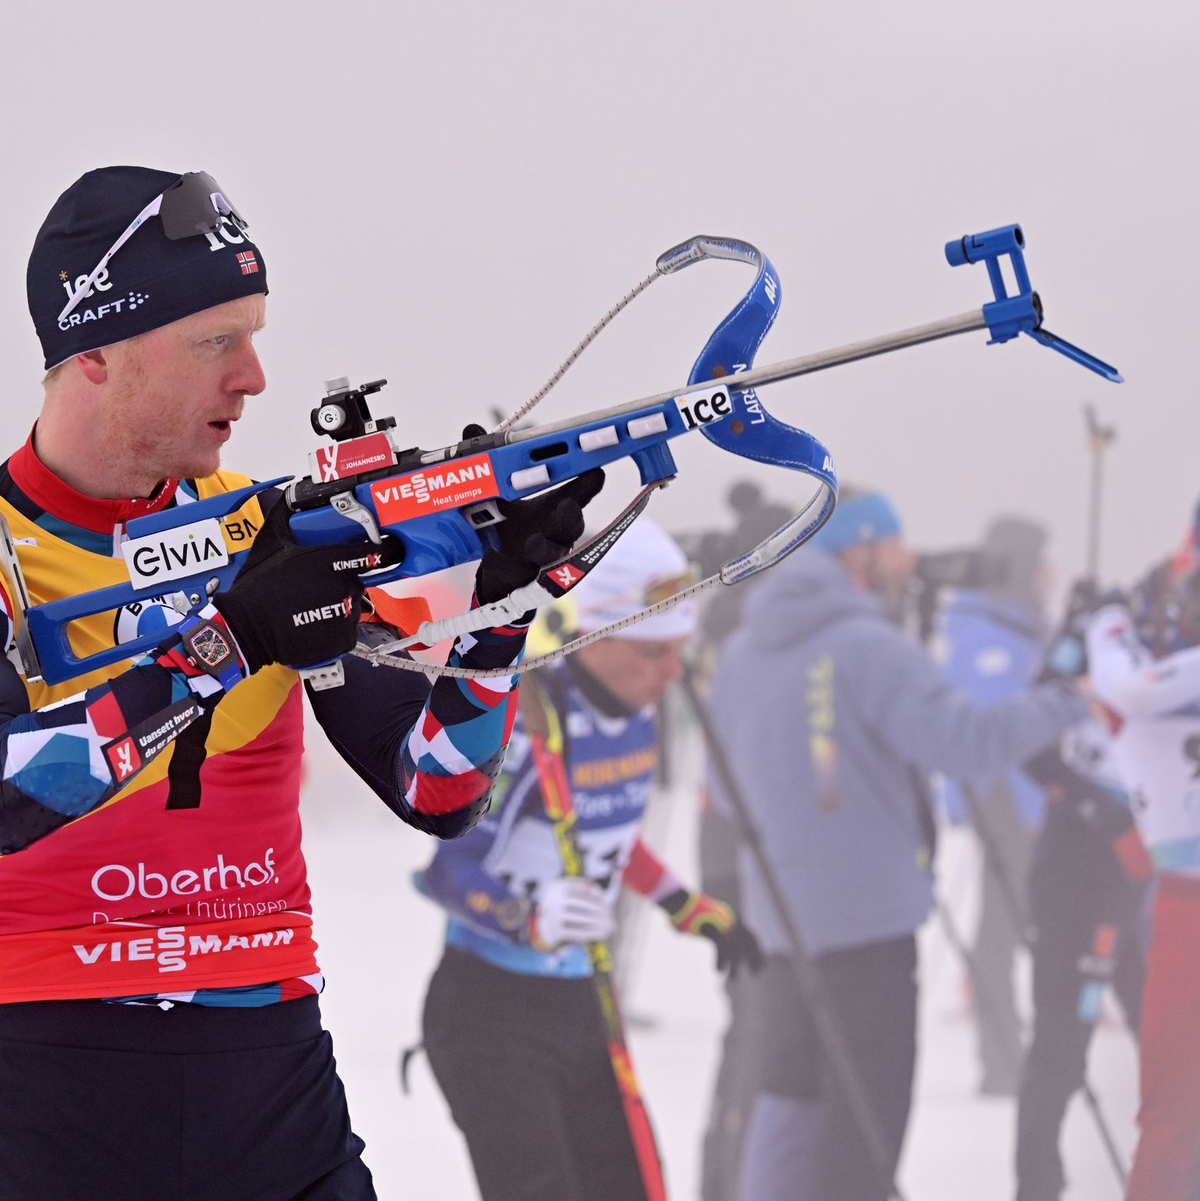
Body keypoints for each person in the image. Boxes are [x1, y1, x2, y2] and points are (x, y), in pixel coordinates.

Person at [0, 165, 602, 1201]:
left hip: (272, 1077)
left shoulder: (266, 531)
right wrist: (228, 639)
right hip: (42, 1081)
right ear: (93, 354)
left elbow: (437, 791)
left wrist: (495, 625)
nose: (255, 378)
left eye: (256, 335)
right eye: (215, 341)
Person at [707, 488, 1090, 1201]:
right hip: (868, 931)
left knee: (789, 1110)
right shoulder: (871, 647)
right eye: (895, 545)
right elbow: (967, 744)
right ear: (857, 552)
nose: (908, 561)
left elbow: (725, 791)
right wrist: (1068, 699)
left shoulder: (742, 652)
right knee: (863, 1132)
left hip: (782, 931)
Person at [416, 518, 762, 1201]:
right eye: (654, 651)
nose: (674, 672)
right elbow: (448, 870)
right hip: (492, 1013)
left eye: (679, 651)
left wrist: (686, 906)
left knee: (626, 1184)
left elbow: (608, 831)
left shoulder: (636, 715)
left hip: (579, 1000)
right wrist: (527, 917)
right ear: (598, 633)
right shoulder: (526, 726)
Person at [1086, 522, 1200, 1201]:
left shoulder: (1164, 681)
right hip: (1185, 904)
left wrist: (1106, 624)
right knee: (1172, 1118)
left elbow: (1131, 689)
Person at [935, 515, 1053, 1096]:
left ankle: (1007, 1054)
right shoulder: (991, 632)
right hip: (1008, 802)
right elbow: (994, 731)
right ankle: (1002, 1059)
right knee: (1004, 932)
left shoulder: (1011, 623)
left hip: (1014, 801)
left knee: (1008, 930)